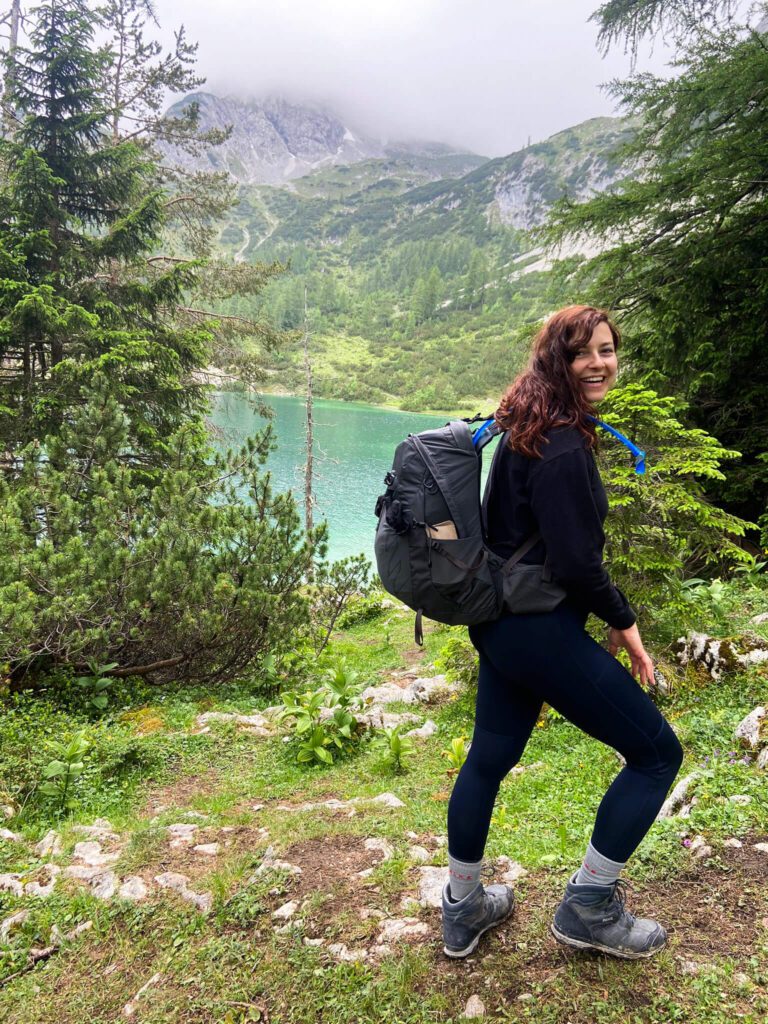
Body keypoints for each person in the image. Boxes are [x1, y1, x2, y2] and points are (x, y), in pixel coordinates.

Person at [441, 305, 683, 960]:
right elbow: (579, 565)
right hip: (539, 633)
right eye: (584, 352)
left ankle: (463, 907)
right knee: (658, 755)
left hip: (499, 626)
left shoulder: (526, 422)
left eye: (608, 349)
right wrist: (626, 627)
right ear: (559, 361)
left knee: (487, 760)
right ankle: (589, 905)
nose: (601, 363)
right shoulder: (565, 446)